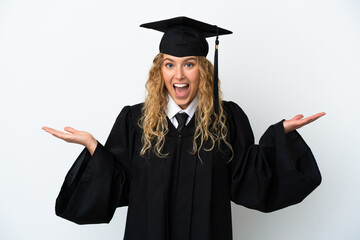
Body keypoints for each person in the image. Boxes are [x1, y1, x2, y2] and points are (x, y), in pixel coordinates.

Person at [42, 16, 325, 240]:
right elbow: (120, 185)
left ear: (203, 69)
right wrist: (94, 148)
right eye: (170, 64)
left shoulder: (226, 120)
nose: (179, 75)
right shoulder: (135, 121)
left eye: (188, 64)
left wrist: (278, 138)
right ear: (160, 71)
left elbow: (248, 180)